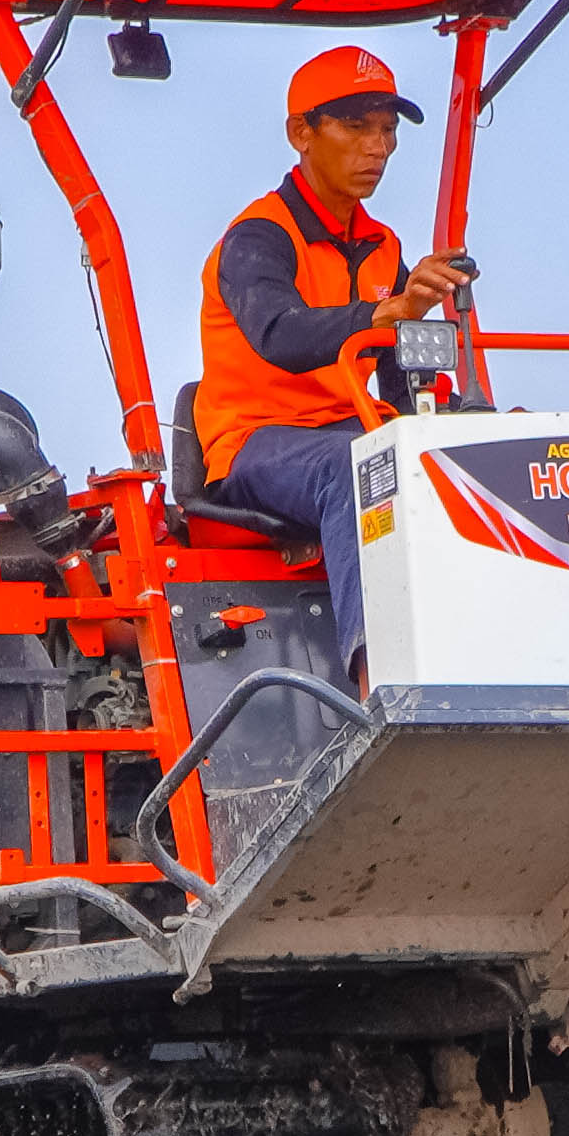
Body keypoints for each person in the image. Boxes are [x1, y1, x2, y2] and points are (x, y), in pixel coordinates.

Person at [189, 43, 472, 668]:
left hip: (351, 425)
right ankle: (381, 679)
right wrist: (386, 312)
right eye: (355, 126)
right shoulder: (259, 237)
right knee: (361, 470)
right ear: (302, 133)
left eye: (388, 130)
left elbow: (398, 377)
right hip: (257, 441)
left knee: (487, 445)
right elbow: (281, 337)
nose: (377, 147)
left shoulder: (380, 245)